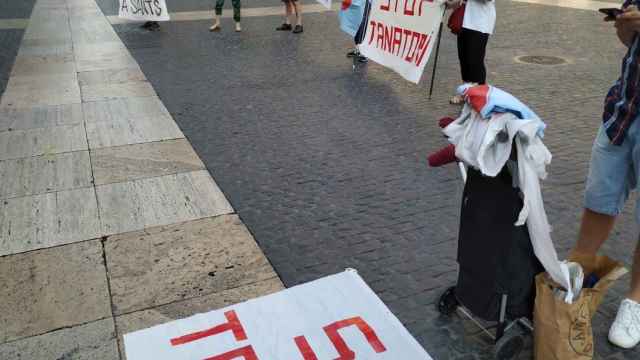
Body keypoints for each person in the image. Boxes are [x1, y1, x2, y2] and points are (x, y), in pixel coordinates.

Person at [570, 3, 640, 349]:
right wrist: (627, 25)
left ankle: (636, 301)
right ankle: (574, 278)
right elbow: (629, 40)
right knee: (599, 197)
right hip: (624, 107)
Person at [446, 0, 496, 104]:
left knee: (475, 60)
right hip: (464, 21)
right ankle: (466, 92)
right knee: (463, 59)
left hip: (480, 23)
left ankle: (480, 95)